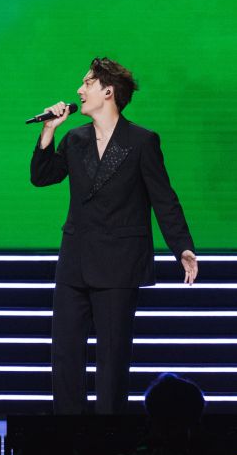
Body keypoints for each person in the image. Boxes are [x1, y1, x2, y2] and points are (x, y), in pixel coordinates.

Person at [30, 57, 197, 414]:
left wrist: (181, 247)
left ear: (108, 92)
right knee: (65, 355)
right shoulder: (75, 139)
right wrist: (48, 131)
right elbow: (42, 177)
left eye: (87, 83)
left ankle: (109, 434)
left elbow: (163, 199)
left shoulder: (141, 141)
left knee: (112, 359)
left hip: (119, 264)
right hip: (75, 262)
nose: (79, 90)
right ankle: (68, 433)